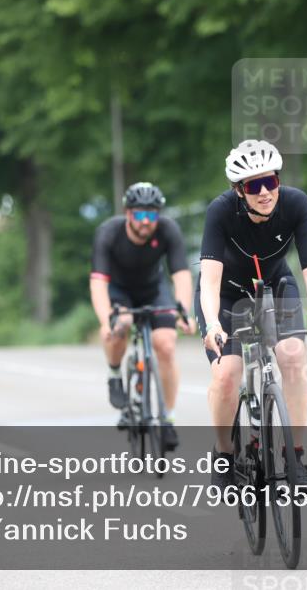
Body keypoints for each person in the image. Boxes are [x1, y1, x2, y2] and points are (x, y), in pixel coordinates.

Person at [197, 139, 307, 494]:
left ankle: (295, 457)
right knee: (227, 375)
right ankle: (224, 455)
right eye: (252, 186)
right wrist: (212, 323)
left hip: (275, 284)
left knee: (292, 354)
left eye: (270, 182)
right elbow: (209, 281)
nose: (264, 192)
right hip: (228, 293)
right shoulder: (221, 211)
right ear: (239, 191)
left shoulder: (296, 203)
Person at [90, 182, 197, 450]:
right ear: (128, 214)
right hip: (119, 291)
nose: (146, 221)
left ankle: (167, 419)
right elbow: (98, 283)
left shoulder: (168, 230)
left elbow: (181, 274)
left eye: (152, 215)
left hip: (153, 289)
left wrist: (183, 311)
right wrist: (106, 321)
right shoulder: (108, 233)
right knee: (120, 326)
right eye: (140, 214)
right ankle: (115, 374)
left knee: (166, 345)